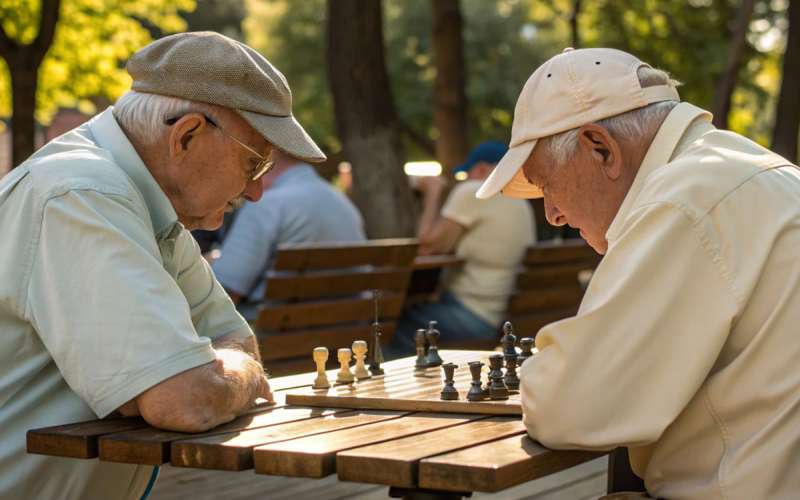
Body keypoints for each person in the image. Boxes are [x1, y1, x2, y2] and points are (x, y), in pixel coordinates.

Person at [0, 32, 326, 500]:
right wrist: (236, 376)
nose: (256, 191)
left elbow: (234, 344)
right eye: (254, 163)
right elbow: (186, 401)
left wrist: (216, 373)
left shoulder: (146, 206)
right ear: (186, 135)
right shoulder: (82, 193)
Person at [477, 47, 800, 498]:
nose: (552, 214)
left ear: (600, 148)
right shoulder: (751, 169)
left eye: (548, 184)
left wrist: (543, 375)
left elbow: (571, 408)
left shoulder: (683, 199)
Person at [387, 141, 536, 356]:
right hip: (501, 315)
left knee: (392, 326)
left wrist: (432, 192)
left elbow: (427, 245)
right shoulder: (520, 201)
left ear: (481, 170)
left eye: (466, 173)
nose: (464, 179)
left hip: (472, 314)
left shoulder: (477, 190)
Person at [212, 149, 366, 320]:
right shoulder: (343, 203)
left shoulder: (267, 205)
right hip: (343, 328)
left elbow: (222, 295)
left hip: (267, 329)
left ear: (267, 161)